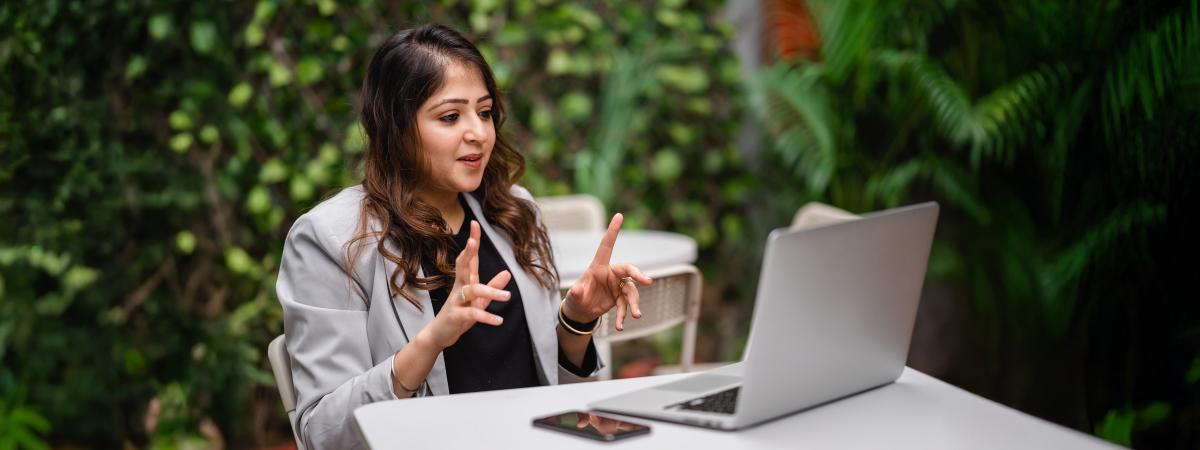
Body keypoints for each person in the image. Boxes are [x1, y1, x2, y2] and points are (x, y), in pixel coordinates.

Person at [275, 23, 653, 449]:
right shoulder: (331, 239)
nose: (479, 132)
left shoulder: (514, 213)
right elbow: (325, 433)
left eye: (486, 111)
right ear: (396, 127)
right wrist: (432, 340)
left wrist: (577, 320)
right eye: (451, 116)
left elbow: (553, 392)